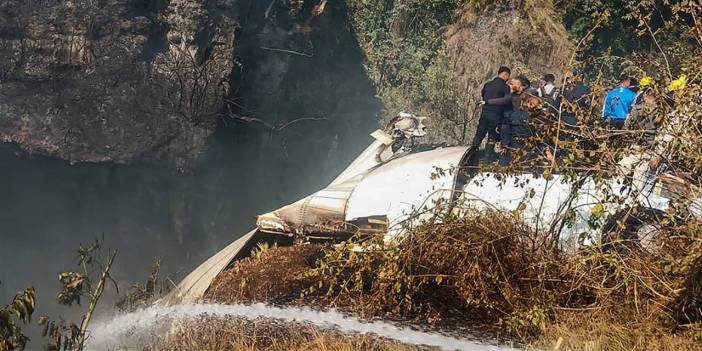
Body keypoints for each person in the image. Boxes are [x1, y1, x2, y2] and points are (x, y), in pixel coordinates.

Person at [471, 66, 511, 162]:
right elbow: (505, 102)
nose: (508, 78)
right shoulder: (505, 87)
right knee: (492, 137)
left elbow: (483, 95)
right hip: (496, 115)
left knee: (479, 135)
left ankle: (471, 155)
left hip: (485, 113)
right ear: (505, 74)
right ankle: (488, 158)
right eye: (508, 76)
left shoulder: (488, 84)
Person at [498, 94, 541, 166]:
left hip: (515, 146)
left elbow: (504, 129)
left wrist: (504, 144)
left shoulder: (514, 114)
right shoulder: (538, 119)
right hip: (526, 147)